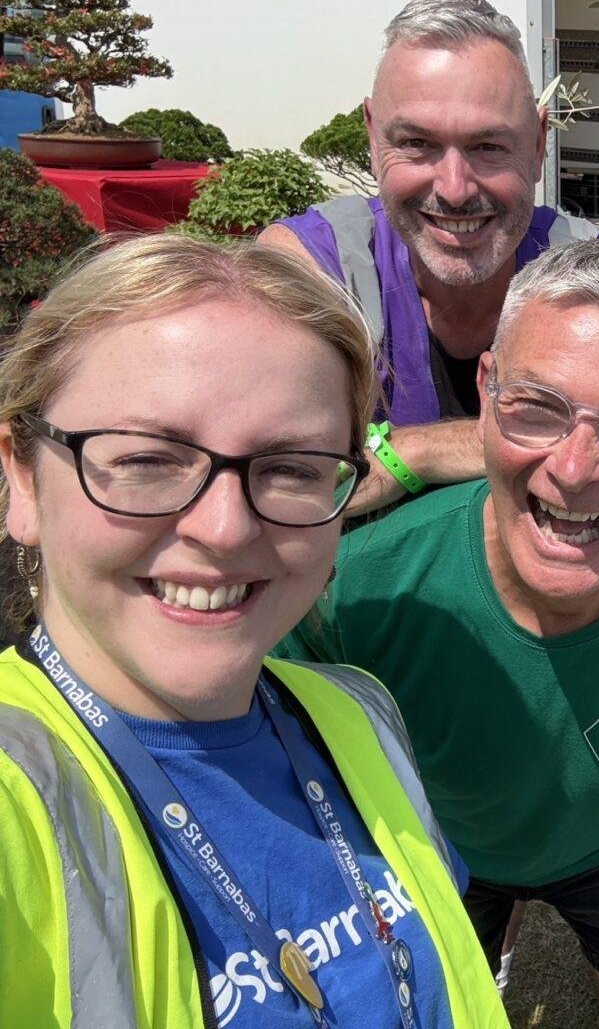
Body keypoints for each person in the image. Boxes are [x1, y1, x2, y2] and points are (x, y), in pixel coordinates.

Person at [279, 238, 599, 1029]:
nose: (573, 469)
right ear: (488, 395)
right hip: (437, 850)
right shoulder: (360, 591)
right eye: (539, 407)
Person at [0, 235, 507, 1028]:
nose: (227, 529)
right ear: (22, 477)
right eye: (147, 459)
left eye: (293, 468)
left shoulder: (358, 714)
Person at [258, 0, 599, 514]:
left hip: (529, 567)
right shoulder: (316, 269)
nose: (455, 189)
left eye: (489, 147)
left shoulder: (583, 262)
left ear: (538, 144)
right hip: (358, 579)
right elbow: (271, 483)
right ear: (372, 136)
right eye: (416, 143)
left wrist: (416, 451)